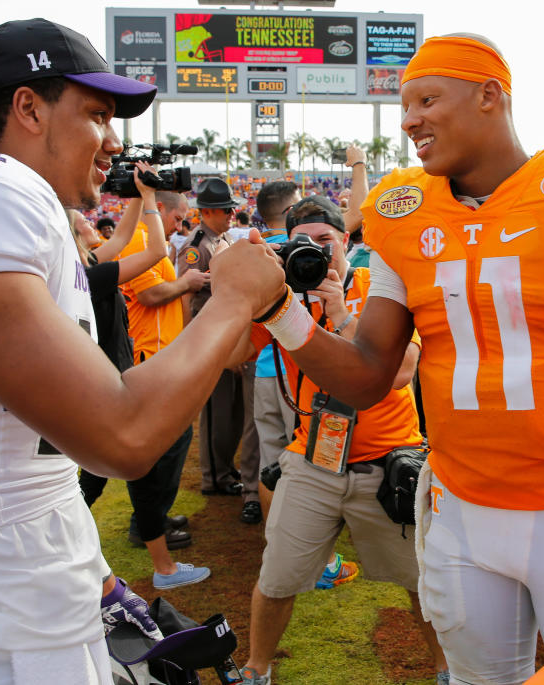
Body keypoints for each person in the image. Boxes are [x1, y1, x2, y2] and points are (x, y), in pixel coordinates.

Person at [253, 35, 544, 684]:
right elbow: (365, 375)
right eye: (404, 103)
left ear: (489, 95)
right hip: (461, 510)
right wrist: (280, 308)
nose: (409, 118)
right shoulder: (403, 213)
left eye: (426, 98)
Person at [0, 18, 283, 685]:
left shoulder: (18, 205)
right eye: (97, 115)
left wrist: (97, 578)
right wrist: (231, 298)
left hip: (25, 591)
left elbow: (19, 470)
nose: (112, 141)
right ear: (27, 107)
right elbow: (121, 433)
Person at [236, 196, 448, 685]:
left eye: (324, 241)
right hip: (314, 458)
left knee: (423, 582)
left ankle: (446, 670)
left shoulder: (382, 286)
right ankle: (255, 669)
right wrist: (245, 291)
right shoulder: (283, 298)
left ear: (347, 243)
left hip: (387, 461)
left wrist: (341, 313)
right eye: (302, 243)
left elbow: (399, 373)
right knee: (276, 577)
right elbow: (231, 357)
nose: (314, 251)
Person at [118, 188, 215, 586]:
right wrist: (188, 282)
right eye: (179, 218)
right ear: (159, 209)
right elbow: (150, 293)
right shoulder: (139, 240)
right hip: (150, 358)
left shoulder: (145, 240)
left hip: (161, 356)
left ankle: (152, 519)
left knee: (170, 447)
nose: (182, 225)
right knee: (160, 450)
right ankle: (147, 525)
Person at [177, 178, 262, 525]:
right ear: (207, 212)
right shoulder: (196, 246)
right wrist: (190, 343)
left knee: (233, 409)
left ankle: (225, 472)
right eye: (226, 209)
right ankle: (215, 477)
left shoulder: (224, 240)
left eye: (233, 209)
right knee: (217, 410)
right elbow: (186, 296)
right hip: (209, 333)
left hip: (228, 331)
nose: (232, 214)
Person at [250, 180, 300, 521]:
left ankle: (274, 544)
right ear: (290, 211)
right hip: (297, 371)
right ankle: (312, 556)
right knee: (304, 464)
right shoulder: (301, 251)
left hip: (264, 369)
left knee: (270, 462)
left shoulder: (250, 253)